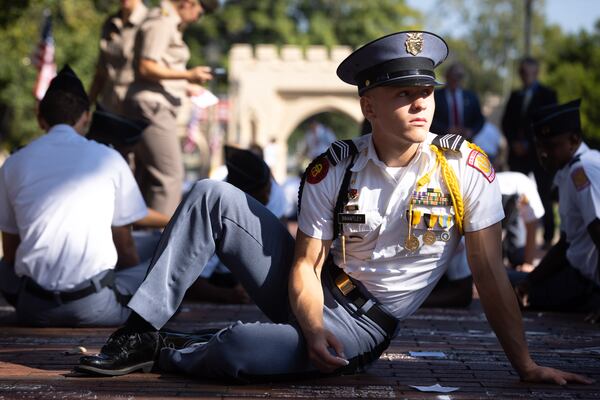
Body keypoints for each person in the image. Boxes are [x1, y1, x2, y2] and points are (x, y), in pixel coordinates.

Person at [76, 32, 590, 385]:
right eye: (403, 94)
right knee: (213, 195)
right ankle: (141, 332)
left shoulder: (462, 167)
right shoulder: (335, 166)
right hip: (316, 292)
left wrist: (525, 365)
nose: (420, 104)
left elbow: (490, 274)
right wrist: (312, 321)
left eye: (426, 93)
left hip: (363, 326)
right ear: (369, 106)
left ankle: (173, 350)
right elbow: (304, 265)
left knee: (241, 351)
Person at [0, 66, 155, 327]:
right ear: (85, 117)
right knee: (162, 252)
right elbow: (125, 245)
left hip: (33, 309)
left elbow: (11, 251)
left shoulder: (14, 163)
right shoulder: (108, 159)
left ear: (40, 118)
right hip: (94, 306)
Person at [124, 0, 218, 216]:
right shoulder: (163, 21)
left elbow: (159, 69)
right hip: (153, 107)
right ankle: (161, 241)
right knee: (170, 177)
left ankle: (143, 237)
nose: (196, 18)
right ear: (188, 3)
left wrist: (185, 85)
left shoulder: (166, 22)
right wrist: (188, 75)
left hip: (152, 103)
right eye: (199, 12)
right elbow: (147, 67)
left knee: (148, 177)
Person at [512, 99, 600, 317]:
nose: (543, 153)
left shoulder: (582, 171)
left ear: (574, 140)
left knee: (502, 284)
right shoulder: (573, 168)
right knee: (511, 283)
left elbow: (598, 231)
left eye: (550, 146)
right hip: (574, 275)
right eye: (540, 146)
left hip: (584, 284)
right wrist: (530, 282)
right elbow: (567, 243)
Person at [501, 57, 557, 247]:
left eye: (528, 72)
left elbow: (549, 125)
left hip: (538, 156)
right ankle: (512, 238)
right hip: (517, 156)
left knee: (543, 194)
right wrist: (514, 143)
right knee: (515, 196)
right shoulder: (515, 95)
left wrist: (530, 144)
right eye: (522, 72)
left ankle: (548, 237)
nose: (525, 76)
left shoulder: (547, 94)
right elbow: (506, 123)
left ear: (536, 72)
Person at [88, 0, 148, 116]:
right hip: (108, 103)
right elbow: (101, 72)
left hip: (135, 106)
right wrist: (86, 105)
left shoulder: (150, 22)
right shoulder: (110, 23)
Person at [497, 171, 545, 271]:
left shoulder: (526, 189)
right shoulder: (527, 189)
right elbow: (532, 227)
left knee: (518, 255)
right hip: (496, 192)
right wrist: (529, 263)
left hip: (507, 192)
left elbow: (532, 225)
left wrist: (527, 263)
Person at [430, 62, 484, 139]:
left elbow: (480, 120)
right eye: (453, 75)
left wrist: (471, 131)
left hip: (465, 142)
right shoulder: (436, 96)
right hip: (440, 140)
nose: (456, 79)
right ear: (447, 76)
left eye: (460, 76)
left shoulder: (471, 97)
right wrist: (446, 129)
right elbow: (431, 119)